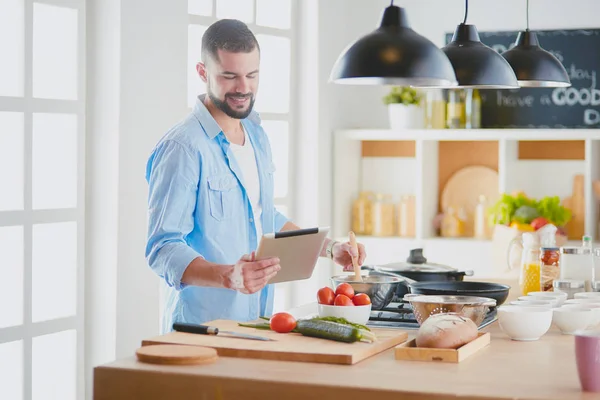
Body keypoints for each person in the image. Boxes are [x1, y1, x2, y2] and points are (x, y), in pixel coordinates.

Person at [145, 19, 366, 333]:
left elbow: (263, 217)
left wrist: (330, 248)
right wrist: (229, 276)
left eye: (251, 75)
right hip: (200, 330)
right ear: (202, 72)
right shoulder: (183, 147)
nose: (243, 88)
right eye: (229, 76)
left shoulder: (256, 134)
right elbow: (163, 248)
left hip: (256, 322)